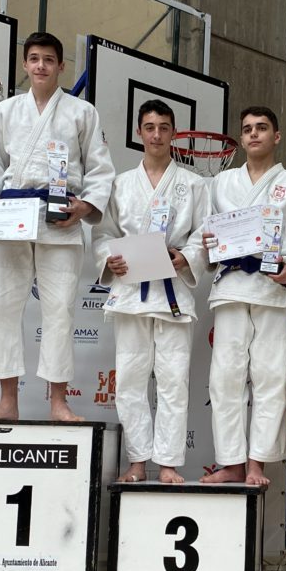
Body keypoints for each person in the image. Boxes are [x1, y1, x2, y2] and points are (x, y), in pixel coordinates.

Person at [0, 31, 115, 422]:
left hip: (60, 217)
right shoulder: (6, 111)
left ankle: (58, 402)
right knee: (1, 309)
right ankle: (8, 401)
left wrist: (85, 205)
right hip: (13, 216)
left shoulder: (81, 112)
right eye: (34, 58)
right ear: (25, 64)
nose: (41, 66)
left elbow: (100, 168)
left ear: (61, 66)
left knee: (59, 312)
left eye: (48, 60)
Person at [200, 106, 286, 485]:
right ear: (241, 139)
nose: (254, 134)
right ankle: (231, 462)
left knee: (271, 377)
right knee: (225, 378)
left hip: (271, 288)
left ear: (277, 136)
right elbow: (206, 233)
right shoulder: (221, 183)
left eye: (262, 128)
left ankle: (257, 462)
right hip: (232, 286)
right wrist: (209, 245)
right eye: (248, 129)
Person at [92, 99, 208, 484]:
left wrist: (186, 256)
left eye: (164, 127)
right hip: (130, 295)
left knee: (174, 382)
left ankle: (169, 463)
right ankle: (138, 460)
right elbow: (103, 235)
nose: (156, 134)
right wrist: (109, 260)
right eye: (149, 127)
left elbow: (203, 235)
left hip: (172, 295)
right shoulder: (120, 185)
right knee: (129, 382)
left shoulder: (193, 184)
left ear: (174, 133)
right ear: (139, 132)